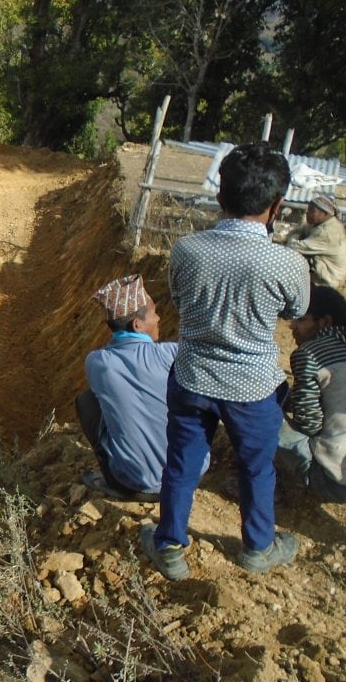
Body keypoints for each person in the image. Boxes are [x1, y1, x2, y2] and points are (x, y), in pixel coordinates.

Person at [141, 142, 311, 580]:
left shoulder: (187, 250)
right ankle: (257, 548)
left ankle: (170, 546)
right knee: (256, 469)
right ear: (277, 206)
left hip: (193, 375)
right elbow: (295, 311)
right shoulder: (288, 263)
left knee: (180, 463)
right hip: (253, 388)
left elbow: (178, 299)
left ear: (220, 197)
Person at [78, 274, 197, 499]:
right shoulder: (171, 354)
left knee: (87, 402)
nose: (159, 318)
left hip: (132, 481)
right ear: (137, 324)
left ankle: (115, 474)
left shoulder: (97, 362)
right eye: (154, 313)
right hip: (187, 474)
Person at [278, 286, 346, 502]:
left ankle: (268, 483)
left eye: (300, 319)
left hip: (331, 480)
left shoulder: (310, 354)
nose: (292, 326)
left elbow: (310, 425)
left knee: (255, 411)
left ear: (324, 322)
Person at [284, 195, 346, 288]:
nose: (307, 213)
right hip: (327, 272)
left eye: (311, 211)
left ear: (324, 213)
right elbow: (302, 229)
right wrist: (298, 233)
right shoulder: (324, 223)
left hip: (328, 280)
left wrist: (295, 235)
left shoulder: (326, 234)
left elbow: (292, 247)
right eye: (308, 210)